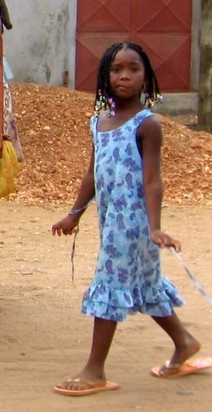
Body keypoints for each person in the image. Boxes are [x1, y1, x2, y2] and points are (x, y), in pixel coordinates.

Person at [51, 41, 208, 396]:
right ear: (105, 76)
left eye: (133, 69)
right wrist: (74, 214)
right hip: (111, 223)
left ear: (145, 77)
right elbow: (93, 174)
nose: (124, 76)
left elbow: (153, 180)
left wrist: (155, 228)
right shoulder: (98, 121)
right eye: (116, 69)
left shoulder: (147, 124)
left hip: (136, 226)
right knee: (145, 286)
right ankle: (184, 342)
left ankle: (94, 371)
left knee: (109, 284)